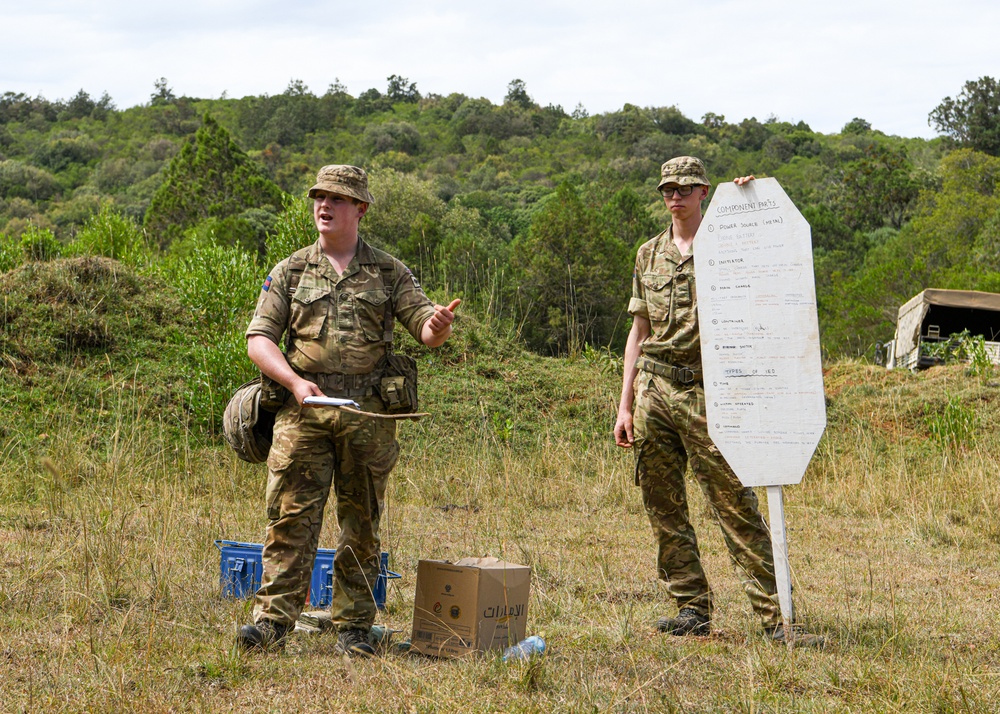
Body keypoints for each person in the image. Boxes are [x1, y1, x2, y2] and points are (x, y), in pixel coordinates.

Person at [237, 164, 460, 656]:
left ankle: (355, 624)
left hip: (367, 413)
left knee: (361, 520)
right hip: (305, 410)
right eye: (319, 197)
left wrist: (439, 324)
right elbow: (258, 339)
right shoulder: (290, 270)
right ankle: (274, 620)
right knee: (290, 515)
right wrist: (295, 383)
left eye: (337, 199)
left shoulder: (388, 270)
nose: (324, 205)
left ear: (359, 208)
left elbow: (425, 327)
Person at [613, 156, 821, 646]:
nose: (675, 196)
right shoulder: (648, 253)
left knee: (735, 505)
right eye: (668, 188)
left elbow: (773, 246)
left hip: (712, 395)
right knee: (663, 506)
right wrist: (624, 405)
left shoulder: (732, 243)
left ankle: (778, 620)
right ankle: (690, 608)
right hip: (654, 390)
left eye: (685, 188)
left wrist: (749, 201)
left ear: (704, 191)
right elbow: (638, 331)